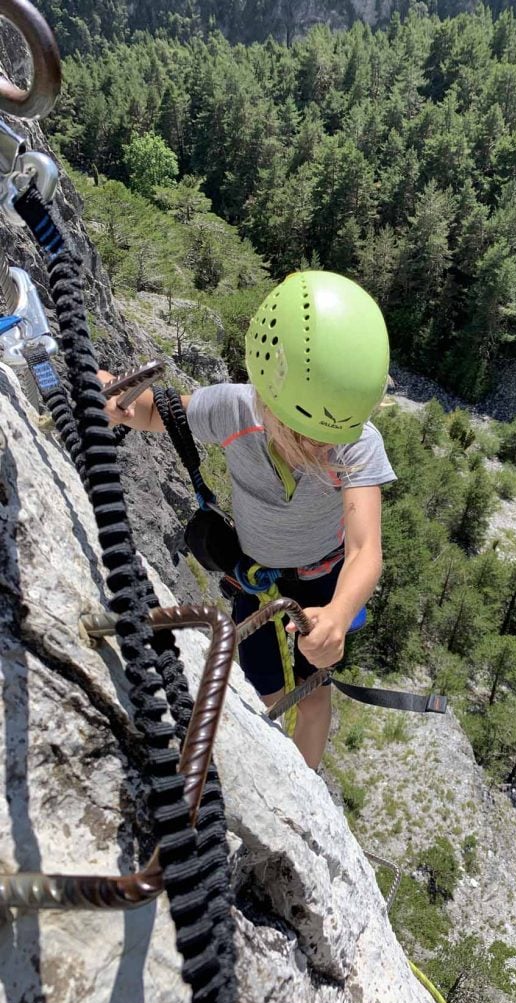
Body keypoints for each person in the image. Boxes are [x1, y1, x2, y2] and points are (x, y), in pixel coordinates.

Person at [99, 270, 396, 769]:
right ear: (265, 395)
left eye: (327, 438)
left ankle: (304, 802)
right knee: (266, 691)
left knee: (314, 698)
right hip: (255, 580)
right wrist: (118, 399)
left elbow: (366, 549)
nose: (318, 450)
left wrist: (341, 614)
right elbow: (158, 412)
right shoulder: (235, 410)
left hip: (322, 585)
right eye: (302, 435)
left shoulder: (356, 444)